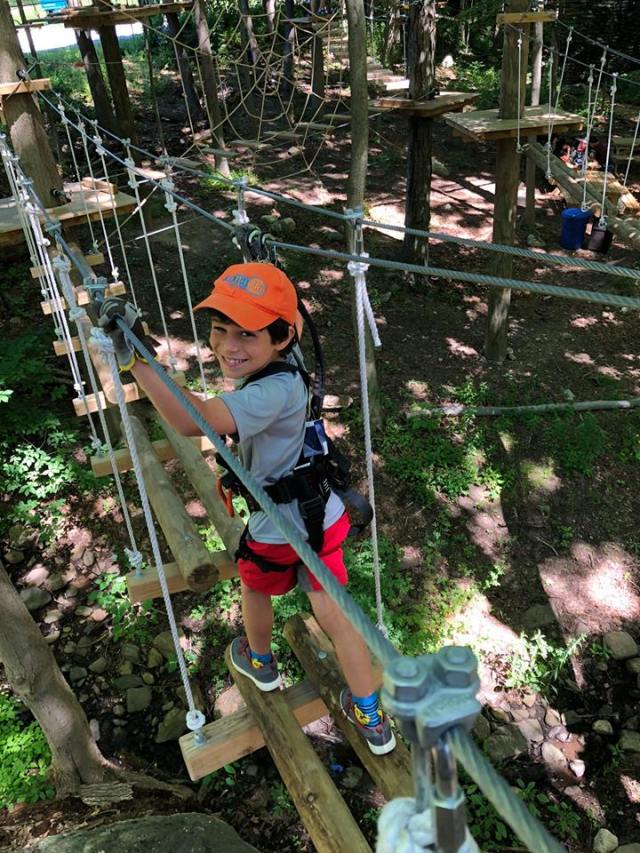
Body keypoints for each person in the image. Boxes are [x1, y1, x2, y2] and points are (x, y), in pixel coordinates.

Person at [98, 262, 396, 755]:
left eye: (245, 335)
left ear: (280, 338)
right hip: (324, 516)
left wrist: (139, 362)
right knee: (334, 614)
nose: (227, 346)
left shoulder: (269, 391)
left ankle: (260, 662)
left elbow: (197, 420)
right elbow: (279, 316)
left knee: (253, 580)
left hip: (279, 528)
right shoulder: (288, 359)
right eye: (219, 330)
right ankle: (370, 715)